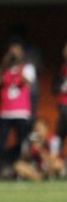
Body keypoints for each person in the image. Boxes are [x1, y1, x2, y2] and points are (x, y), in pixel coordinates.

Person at [0, 41, 36, 174]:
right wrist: (5, 63)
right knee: (1, 143)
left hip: (21, 111)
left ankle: (22, 168)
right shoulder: (5, 69)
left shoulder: (27, 67)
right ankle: (3, 168)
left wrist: (19, 64)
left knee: (22, 142)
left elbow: (26, 80)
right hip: (5, 112)